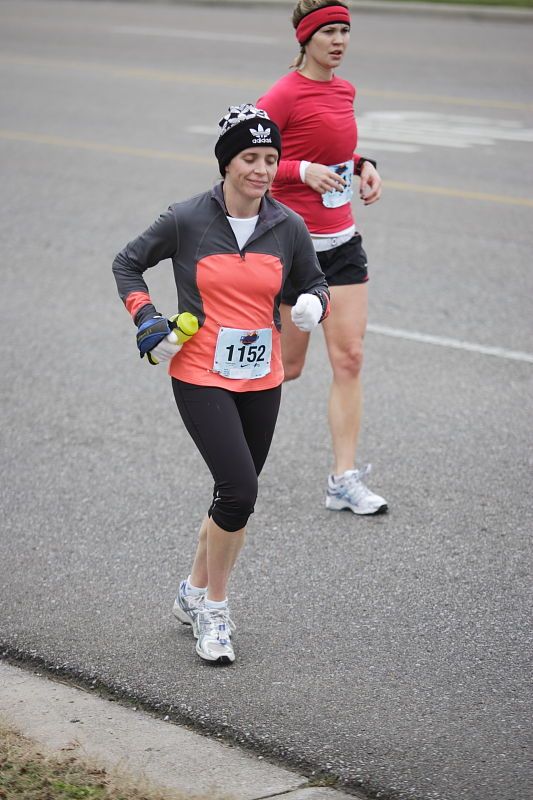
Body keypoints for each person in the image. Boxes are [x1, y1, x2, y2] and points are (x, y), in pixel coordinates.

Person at [112, 104, 330, 665]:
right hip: (200, 372)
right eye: (250, 159)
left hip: (262, 375)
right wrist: (146, 318)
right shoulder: (187, 219)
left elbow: (314, 283)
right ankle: (216, 608)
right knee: (240, 491)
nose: (261, 170)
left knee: (231, 496)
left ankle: (190, 590)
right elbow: (127, 263)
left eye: (270, 159)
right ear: (227, 163)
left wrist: (312, 304)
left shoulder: (288, 225)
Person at [257, 0, 388, 515]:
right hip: (293, 248)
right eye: (328, 31)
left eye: (345, 31)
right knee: (286, 367)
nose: (339, 40)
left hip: (343, 244)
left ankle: (343, 479)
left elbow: (332, 148)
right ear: (305, 38)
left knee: (349, 357)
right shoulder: (282, 94)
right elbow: (243, 156)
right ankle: (230, 443)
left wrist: (362, 165)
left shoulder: (344, 90)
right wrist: (299, 172)